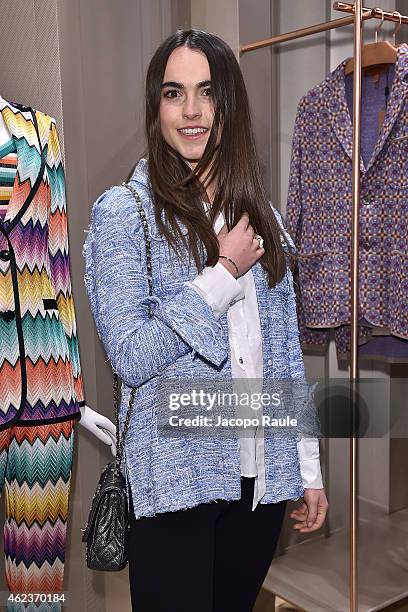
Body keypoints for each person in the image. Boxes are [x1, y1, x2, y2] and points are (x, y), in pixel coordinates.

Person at [83, 28, 328, 612]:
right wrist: (221, 273)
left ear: (230, 106)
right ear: (156, 107)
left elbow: (285, 356)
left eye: (207, 93)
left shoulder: (261, 217)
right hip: (174, 482)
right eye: (174, 94)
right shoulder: (126, 213)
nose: (191, 112)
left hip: (260, 483)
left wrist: (308, 466)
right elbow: (131, 354)